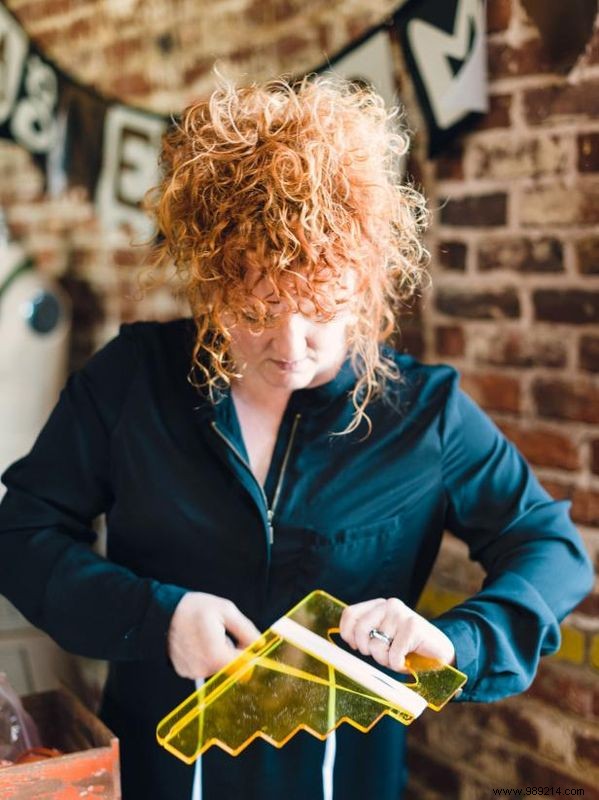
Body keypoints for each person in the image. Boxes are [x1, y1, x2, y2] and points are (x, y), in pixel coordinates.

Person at [0, 75, 593, 800]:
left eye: (321, 308)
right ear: (213, 284)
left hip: (346, 778)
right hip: (160, 768)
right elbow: (22, 532)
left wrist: (457, 642)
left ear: (366, 288)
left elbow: (552, 551)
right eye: (257, 307)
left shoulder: (425, 414)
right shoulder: (132, 380)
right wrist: (154, 618)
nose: (290, 346)